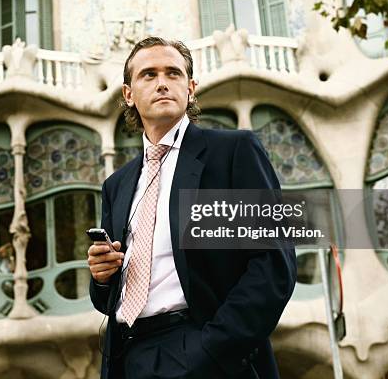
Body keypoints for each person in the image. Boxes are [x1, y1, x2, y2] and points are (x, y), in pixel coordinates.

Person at [87, 37, 297, 379]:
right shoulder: (117, 185)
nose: (162, 82)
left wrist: (213, 352)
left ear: (191, 88)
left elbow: (273, 264)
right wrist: (101, 277)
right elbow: (106, 298)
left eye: (173, 73)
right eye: (148, 75)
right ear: (128, 95)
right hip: (127, 356)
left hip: (201, 351)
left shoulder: (232, 153)